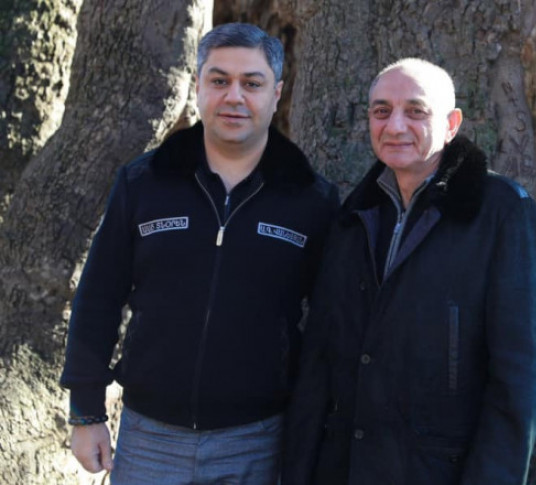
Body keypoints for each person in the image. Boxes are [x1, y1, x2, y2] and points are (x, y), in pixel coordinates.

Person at [60, 22, 339, 484]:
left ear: (277, 93)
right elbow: (98, 297)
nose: (234, 97)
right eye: (219, 80)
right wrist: (86, 411)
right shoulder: (143, 183)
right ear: (198, 86)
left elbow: (329, 323)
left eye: (252, 83)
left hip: (256, 440)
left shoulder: (312, 200)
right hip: (149, 437)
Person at [283, 58, 536, 485]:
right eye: (382, 110)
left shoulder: (501, 212)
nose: (395, 126)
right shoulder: (354, 217)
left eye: (416, 111)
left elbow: (518, 378)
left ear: (451, 124)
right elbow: (319, 362)